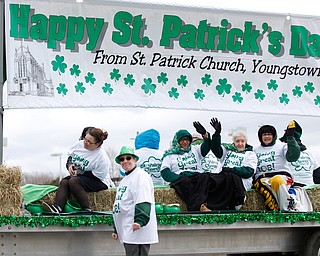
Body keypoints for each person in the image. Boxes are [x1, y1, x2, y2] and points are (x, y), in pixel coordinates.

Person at [160, 122, 245, 212]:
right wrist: (178, 178)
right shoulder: (170, 155)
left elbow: (206, 147)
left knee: (228, 176)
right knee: (191, 183)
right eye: (182, 140)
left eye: (187, 140)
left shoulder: (194, 149)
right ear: (177, 141)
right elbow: (164, 172)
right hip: (183, 178)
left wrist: (204, 134)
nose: (185, 142)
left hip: (199, 177)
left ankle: (236, 201)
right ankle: (201, 206)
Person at [43, 127, 114, 213]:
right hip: (81, 176)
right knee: (64, 182)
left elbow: (98, 176)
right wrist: (70, 165)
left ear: (97, 145)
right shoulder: (79, 145)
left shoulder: (102, 158)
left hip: (99, 181)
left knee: (74, 181)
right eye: (85, 139)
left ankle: (87, 209)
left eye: (89, 142)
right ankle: (58, 208)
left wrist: (80, 172)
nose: (85, 143)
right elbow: (70, 158)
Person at [253, 121, 313, 212]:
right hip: (263, 179)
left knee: (276, 180)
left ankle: (288, 208)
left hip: (282, 177)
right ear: (260, 137)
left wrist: (290, 138)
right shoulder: (255, 149)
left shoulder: (282, 146)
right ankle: (277, 208)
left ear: (274, 136)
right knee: (265, 183)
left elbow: (292, 157)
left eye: (269, 134)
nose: (267, 137)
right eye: (264, 135)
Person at [112, 146, 158, 256]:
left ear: (135, 160)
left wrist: (140, 220)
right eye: (122, 159)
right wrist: (116, 228)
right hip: (127, 228)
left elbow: (143, 199)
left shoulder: (140, 176)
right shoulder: (126, 179)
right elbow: (120, 204)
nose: (125, 161)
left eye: (128, 158)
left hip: (136, 228)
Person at [210, 117, 257, 192]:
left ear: (246, 142)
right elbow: (216, 149)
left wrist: (230, 170)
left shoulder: (250, 154)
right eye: (237, 141)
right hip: (223, 179)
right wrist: (217, 134)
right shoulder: (228, 150)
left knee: (230, 177)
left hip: (240, 182)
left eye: (242, 141)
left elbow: (249, 172)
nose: (240, 144)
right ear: (234, 143)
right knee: (207, 178)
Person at [279, 120, 320, 186]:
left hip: (291, 186)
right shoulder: (309, 153)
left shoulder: (283, 150)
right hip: (309, 185)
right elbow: (317, 173)